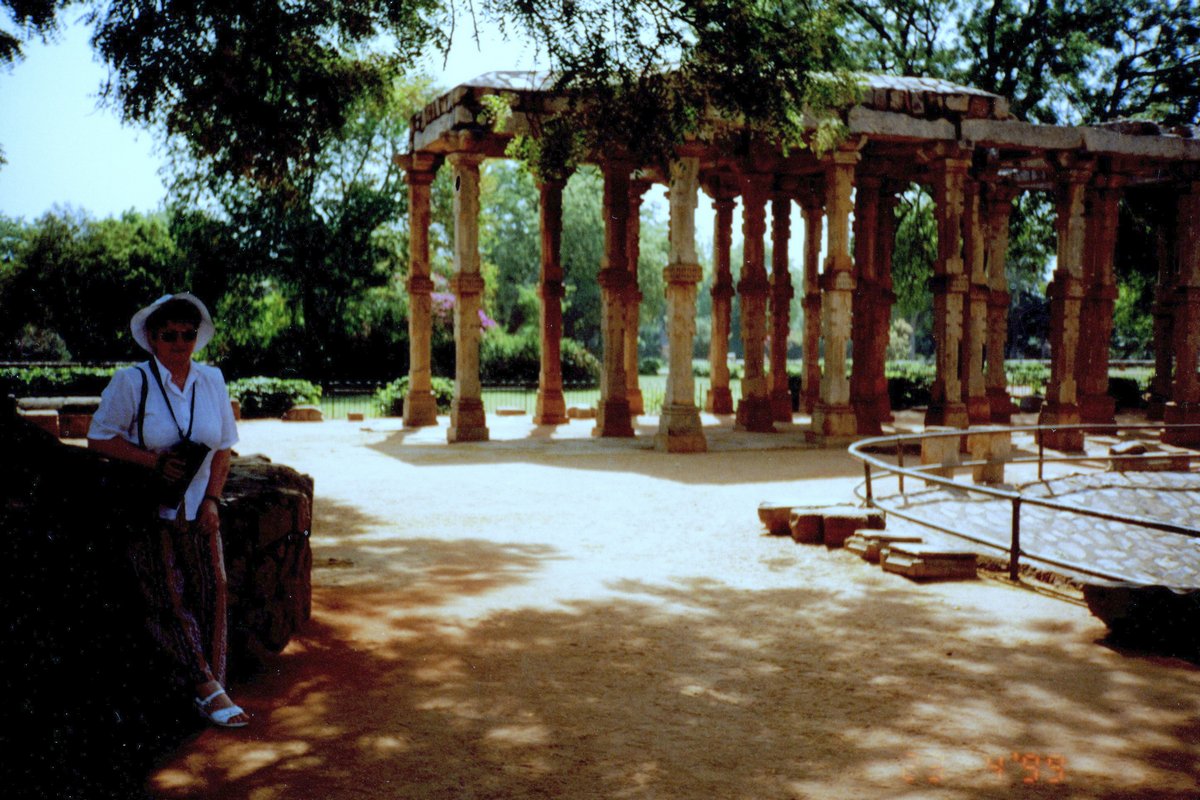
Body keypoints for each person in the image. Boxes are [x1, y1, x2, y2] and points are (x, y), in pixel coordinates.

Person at [87, 293, 249, 728]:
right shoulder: (132, 382)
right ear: (152, 338)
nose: (179, 343)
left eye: (187, 334)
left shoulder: (211, 380)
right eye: (169, 335)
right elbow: (99, 439)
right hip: (151, 507)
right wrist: (151, 460)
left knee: (213, 589)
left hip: (199, 506)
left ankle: (209, 685)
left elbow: (223, 448)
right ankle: (208, 689)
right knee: (169, 598)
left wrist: (212, 499)